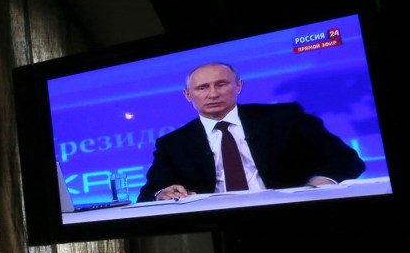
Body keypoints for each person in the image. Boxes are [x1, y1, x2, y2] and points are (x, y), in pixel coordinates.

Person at [139, 61, 366, 202]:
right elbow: (149, 193)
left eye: (221, 84)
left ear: (238, 86)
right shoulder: (173, 143)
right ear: (188, 95)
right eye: (202, 87)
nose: (213, 94)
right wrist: (163, 194)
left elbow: (348, 160)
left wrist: (320, 183)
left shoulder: (285, 118)